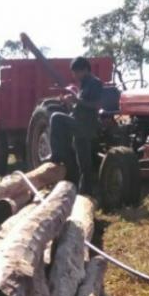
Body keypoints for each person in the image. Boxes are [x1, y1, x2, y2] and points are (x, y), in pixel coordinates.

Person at [49, 56, 103, 195]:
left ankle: (57, 156)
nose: (74, 76)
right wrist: (70, 103)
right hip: (78, 123)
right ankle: (85, 193)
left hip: (85, 125)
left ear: (84, 70)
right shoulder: (84, 84)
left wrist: (76, 100)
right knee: (84, 165)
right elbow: (80, 106)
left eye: (76, 72)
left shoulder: (95, 83)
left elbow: (96, 105)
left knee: (55, 118)